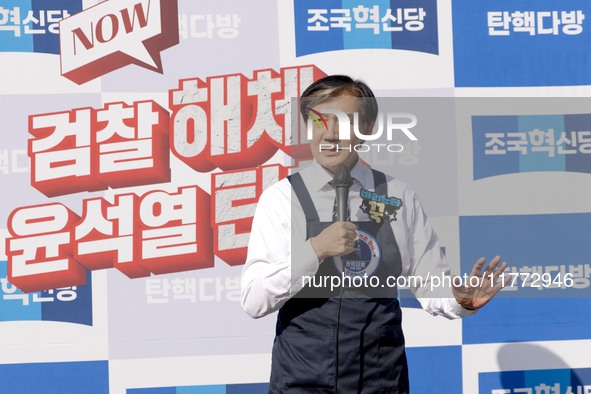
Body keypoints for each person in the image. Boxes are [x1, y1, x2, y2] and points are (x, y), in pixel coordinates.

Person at [241, 75, 510, 393]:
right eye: (318, 121)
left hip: (381, 381)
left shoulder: (397, 195)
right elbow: (254, 299)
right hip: (301, 382)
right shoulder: (281, 199)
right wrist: (314, 250)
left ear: (367, 128)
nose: (330, 134)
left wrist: (460, 300)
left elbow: (429, 283)